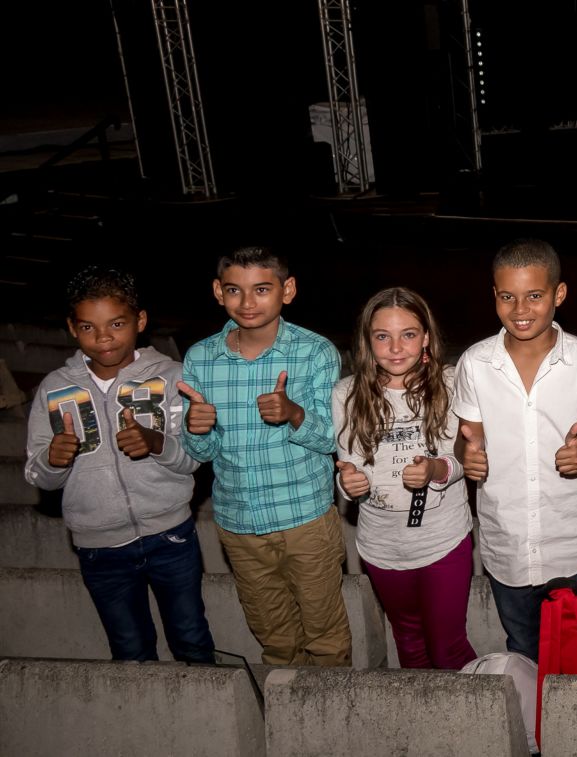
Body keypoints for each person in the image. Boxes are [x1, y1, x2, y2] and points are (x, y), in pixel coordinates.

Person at [25, 266, 214, 663]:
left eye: (116, 324)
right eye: (89, 327)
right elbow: (38, 473)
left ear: (139, 321)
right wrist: (53, 461)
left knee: (192, 638)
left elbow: (193, 460)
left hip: (170, 536)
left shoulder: (171, 377)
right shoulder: (55, 389)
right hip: (99, 547)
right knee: (129, 650)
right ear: (72, 329)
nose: (104, 337)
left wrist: (157, 442)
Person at [179, 247, 349, 666]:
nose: (248, 302)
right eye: (235, 290)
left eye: (261, 289)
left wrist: (293, 413)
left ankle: (333, 723)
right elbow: (202, 452)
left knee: (325, 635)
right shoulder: (201, 357)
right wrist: (195, 429)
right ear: (219, 292)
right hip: (239, 523)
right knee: (274, 638)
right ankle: (291, 719)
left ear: (287, 290)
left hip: (305, 518)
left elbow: (333, 439)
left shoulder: (315, 352)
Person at [453, 239, 577, 663]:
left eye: (534, 296)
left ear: (558, 294)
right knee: (522, 653)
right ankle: (534, 733)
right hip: (507, 546)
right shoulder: (475, 363)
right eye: (508, 297)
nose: (520, 309)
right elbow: (466, 438)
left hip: (574, 545)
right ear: (495, 297)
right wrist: (467, 456)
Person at [333, 287, 476, 670]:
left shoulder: (450, 383)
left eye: (408, 334)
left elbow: (464, 461)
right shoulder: (346, 393)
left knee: (449, 648)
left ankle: (479, 724)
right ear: (367, 341)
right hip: (381, 546)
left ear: (426, 336)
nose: (396, 348)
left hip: (443, 540)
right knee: (409, 644)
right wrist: (349, 483)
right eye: (383, 336)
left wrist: (434, 470)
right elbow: (348, 466)